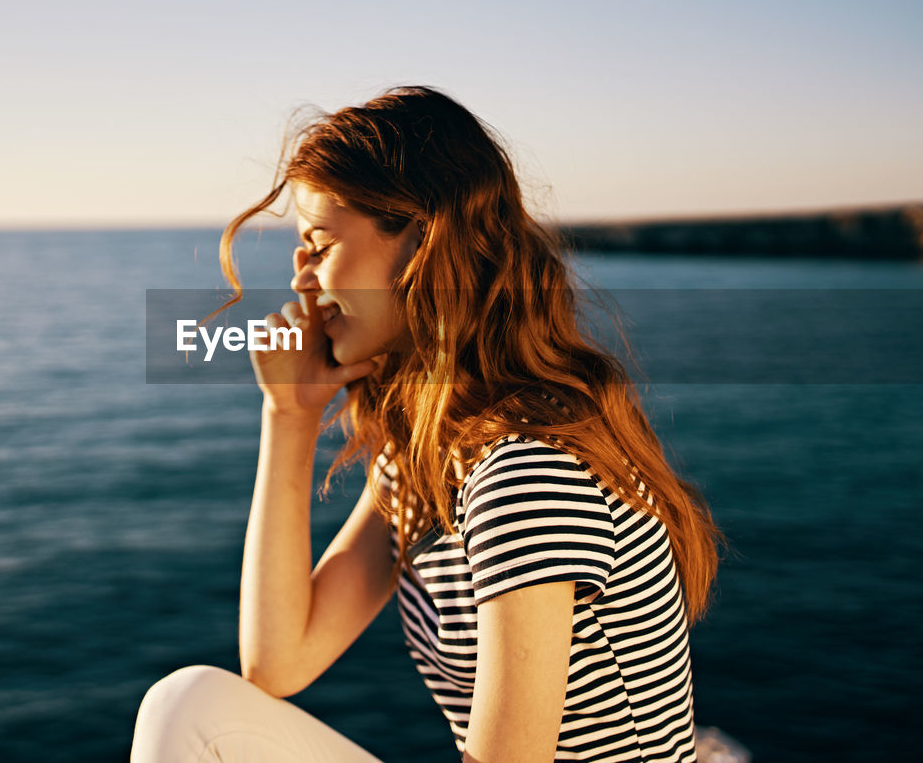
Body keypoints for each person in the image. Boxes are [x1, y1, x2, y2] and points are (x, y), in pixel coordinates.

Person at [131, 85, 722, 762]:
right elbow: (279, 661)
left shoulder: (524, 469)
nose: (302, 280)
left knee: (189, 713)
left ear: (422, 244)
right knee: (193, 706)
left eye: (319, 243)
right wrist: (289, 415)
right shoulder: (430, 461)